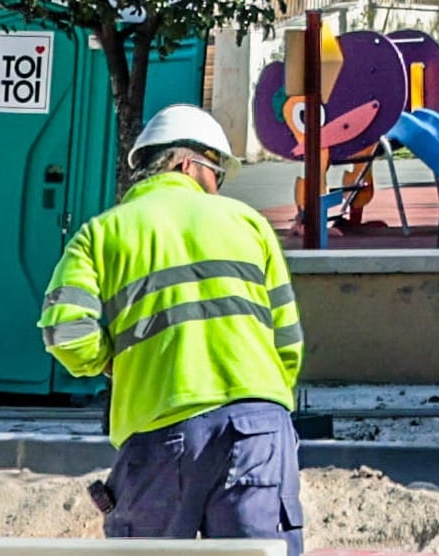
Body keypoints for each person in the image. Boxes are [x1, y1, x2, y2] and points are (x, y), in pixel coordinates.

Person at [40, 103, 307, 556]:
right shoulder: (250, 225)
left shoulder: (101, 234)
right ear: (188, 162)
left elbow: (65, 331)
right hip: (259, 427)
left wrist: (109, 364)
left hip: (159, 427)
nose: (218, 186)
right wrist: (260, 396)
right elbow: (288, 342)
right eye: (217, 173)